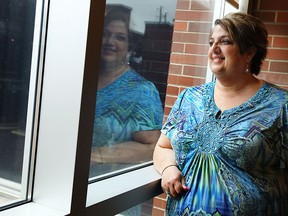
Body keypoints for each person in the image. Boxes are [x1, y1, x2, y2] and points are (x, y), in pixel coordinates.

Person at [153, 12, 288, 216]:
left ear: (249, 52)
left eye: (224, 42)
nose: (214, 49)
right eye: (211, 42)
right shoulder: (189, 98)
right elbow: (163, 146)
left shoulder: (280, 105)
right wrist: (168, 168)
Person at [90, 9, 163, 175]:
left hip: (110, 185)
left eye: (120, 37)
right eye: (105, 34)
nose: (110, 41)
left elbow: (152, 147)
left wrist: (96, 156)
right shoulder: (82, 80)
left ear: (129, 48)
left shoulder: (142, 90)